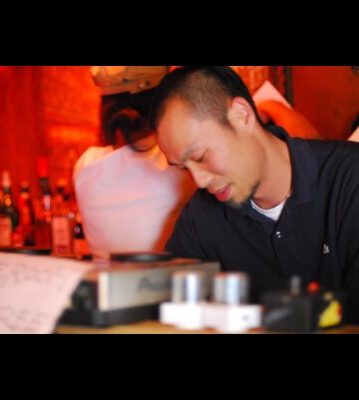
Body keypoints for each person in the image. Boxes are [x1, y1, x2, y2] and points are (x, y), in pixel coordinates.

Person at [149, 66, 359, 323]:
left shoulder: (350, 178)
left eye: (201, 157)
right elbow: (166, 307)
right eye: (183, 168)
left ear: (242, 115)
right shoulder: (201, 216)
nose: (200, 181)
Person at [73, 66, 196, 260]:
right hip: (170, 278)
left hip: (106, 280)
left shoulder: (85, 165)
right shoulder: (178, 161)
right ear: (163, 104)